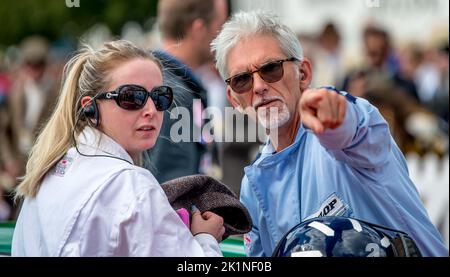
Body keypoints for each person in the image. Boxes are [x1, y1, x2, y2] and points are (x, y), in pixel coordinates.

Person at [211, 11, 448, 257]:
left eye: (271, 68)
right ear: (234, 99)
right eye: (242, 80)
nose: (259, 86)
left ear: (303, 74)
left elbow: (353, 128)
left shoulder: (351, 122)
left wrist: (334, 119)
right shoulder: (253, 184)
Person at [11, 40, 225, 257]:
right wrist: (206, 239)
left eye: (160, 97)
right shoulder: (133, 187)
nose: (151, 109)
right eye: (132, 97)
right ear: (90, 108)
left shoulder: (50, 169)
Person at [144, 0, 228, 183]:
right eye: (220, 26)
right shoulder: (174, 94)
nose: (224, 36)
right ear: (199, 29)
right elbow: (175, 190)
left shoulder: (163, 82)